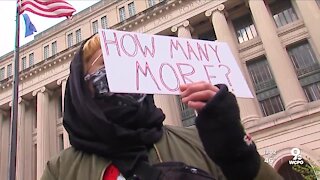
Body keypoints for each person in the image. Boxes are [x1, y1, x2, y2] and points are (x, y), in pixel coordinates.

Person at [41, 34, 283, 180]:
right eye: (106, 63)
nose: (120, 71)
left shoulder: (199, 142)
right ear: (82, 86)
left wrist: (238, 154)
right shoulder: (61, 169)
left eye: (126, 61)